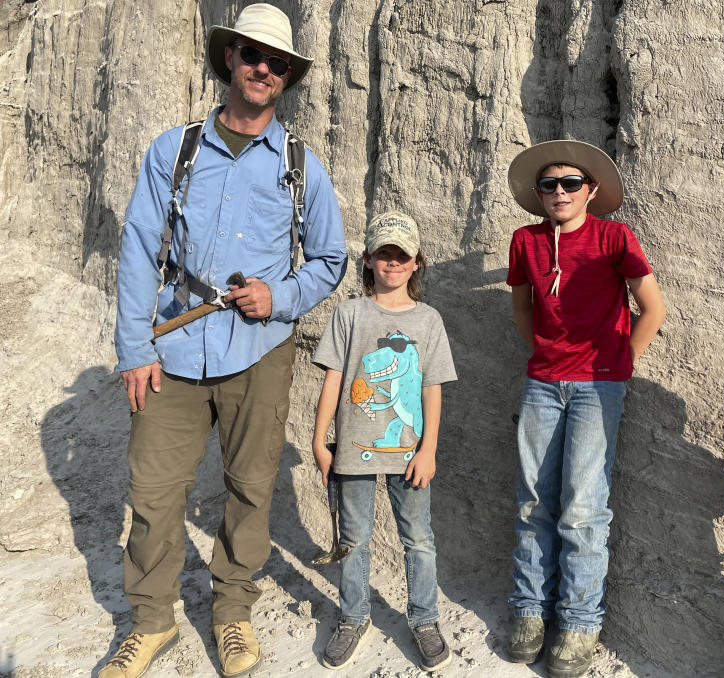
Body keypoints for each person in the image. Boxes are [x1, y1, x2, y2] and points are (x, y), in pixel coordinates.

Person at [104, 5, 347, 678]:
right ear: (230, 59)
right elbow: (137, 251)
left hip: (260, 353)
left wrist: (282, 297)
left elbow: (330, 258)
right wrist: (134, 348)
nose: (262, 69)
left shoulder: (301, 164)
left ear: (287, 76)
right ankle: (150, 624)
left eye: (277, 63)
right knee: (153, 495)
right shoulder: (173, 150)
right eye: (251, 55)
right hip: (174, 352)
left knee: (250, 489)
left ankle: (231, 612)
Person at [504, 140, 666, 678]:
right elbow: (521, 305)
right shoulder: (525, 241)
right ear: (538, 194)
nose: (559, 192)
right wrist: (540, 355)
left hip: (600, 387)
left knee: (583, 506)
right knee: (533, 500)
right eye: (549, 184)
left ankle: (578, 621)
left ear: (591, 191)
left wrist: (620, 364)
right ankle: (529, 612)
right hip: (543, 385)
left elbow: (653, 307)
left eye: (570, 183)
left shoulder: (613, 237)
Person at [311, 211, 458, 673]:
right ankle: (353, 617)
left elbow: (432, 388)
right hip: (353, 448)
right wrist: (320, 441)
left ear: (416, 263)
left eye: (401, 255)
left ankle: (425, 619)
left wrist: (429, 448)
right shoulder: (349, 315)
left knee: (418, 539)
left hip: (410, 452)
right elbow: (334, 380)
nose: (392, 263)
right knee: (354, 538)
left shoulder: (429, 320)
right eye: (383, 254)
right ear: (368, 260)